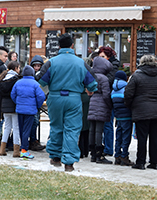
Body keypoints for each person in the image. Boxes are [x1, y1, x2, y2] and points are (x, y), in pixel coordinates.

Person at [38, 33, 97, 172]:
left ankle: (55, 157)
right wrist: (90, 90)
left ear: (59, 46)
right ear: (72, 46)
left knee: (56, 126)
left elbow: (41, 80)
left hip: (55, 97)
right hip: (74, 98)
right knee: (72, 129)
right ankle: (69, 162)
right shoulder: (80, 62)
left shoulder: (51, 62)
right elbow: (93, 83)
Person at [125, 54, 157, 170]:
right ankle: (155, 162)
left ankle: (140, 162)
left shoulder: (136, 76)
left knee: (142, 137)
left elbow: (128, 94)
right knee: (155, 138)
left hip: (141, 110)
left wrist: (131, 106)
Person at [11, 65, 46, 159]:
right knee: (27, 130)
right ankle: (24, 150)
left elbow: (13, 95)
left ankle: (22, 148)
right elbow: (41, 96)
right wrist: (37, 105)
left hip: (20, 109)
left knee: (21, 129)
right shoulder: (35, 84)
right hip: (30, 110)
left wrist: (18, 103)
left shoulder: (18, 83)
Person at [87, 56, 113, 164]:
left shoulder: (91, 76)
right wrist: (110, 105)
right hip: (101, 105)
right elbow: (106, 95)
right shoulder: (104, 78)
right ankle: (99, 154)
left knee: (92, 130)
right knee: (99, 130)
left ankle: (92, 154)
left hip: (92, 103)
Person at [98, 46, 119, 157]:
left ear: (109, 57)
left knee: (107, 123)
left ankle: (108, 148)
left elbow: (108, 80)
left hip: (109, 97)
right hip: (101, 97)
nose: (100, 59)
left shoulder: (113, 66)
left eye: (103, 57)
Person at [0, 61, 21, 157]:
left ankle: (2, 149)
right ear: (16, 68)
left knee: (7, 127)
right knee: (16, 128)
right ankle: (16, 150)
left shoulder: (3, 79)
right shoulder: (16, 79)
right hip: (14, 106)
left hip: (4, 106)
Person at [111, 71, 133, 166]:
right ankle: (124, 156)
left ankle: (117, 156)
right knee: (126, 137)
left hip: (118, 116)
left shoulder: (113, 89)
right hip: (127, 116)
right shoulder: (126, 88)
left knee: (118, 136)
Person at [29, 55, 47, 152]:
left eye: (38, 66)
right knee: (34, 122)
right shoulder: (30, 76)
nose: (36, 68)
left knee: (35, 122)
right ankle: (32, 141)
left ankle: (33, 140)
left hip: (38, 101)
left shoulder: (43, 75)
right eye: (35, 66)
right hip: (31, 103)